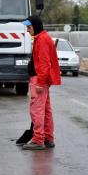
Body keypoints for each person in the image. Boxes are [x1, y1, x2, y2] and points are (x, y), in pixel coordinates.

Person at [21, 15, 61, 150]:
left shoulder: (42, 39)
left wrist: (39, 82)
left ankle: (38, 140)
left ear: (36, 26)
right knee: (46, 110)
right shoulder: (42, 37)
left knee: (36, 110)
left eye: (29, 27)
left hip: (39, 79)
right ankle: (48, 138)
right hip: (42, 79)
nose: (27, 30)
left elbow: (44, 63)